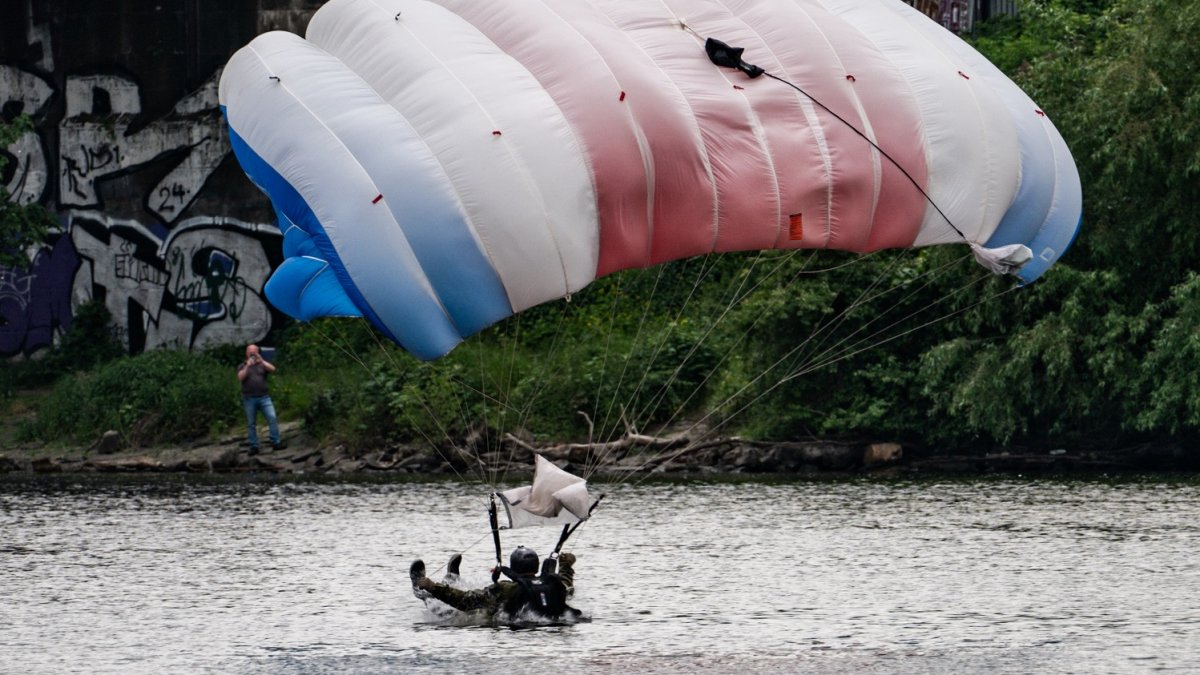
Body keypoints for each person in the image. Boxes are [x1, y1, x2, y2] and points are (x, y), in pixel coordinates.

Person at [410, 546, 581, 622]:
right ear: (536, 567)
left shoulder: (506, 588)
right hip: (541, 620)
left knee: (453, 612)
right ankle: (452, 577)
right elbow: (566, 584)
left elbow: (465, 600)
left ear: (513, 566)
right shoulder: (553, 585)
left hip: (504, 618)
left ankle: (423, 591)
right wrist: (566, 565)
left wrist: (433, 586)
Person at [237, 344, 284, 455]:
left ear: (258, 352)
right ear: (246, 353)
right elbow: (240, 377)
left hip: (264, 397)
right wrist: (247, 366)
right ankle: (254, 446)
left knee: (272, 418)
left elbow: (273, 369)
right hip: (249, 398)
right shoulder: (242, 365)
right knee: (251, 423)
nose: (252, 353)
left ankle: (276, 442)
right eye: (250, 351)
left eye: (254, 351)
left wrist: (261, 360)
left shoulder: (262, 364)